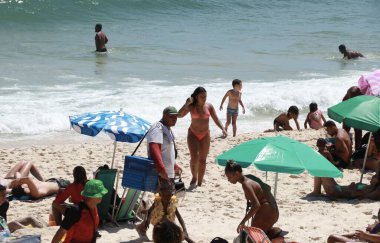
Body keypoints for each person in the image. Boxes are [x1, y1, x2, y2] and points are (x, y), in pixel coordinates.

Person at [178, 87, 227, 188]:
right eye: (201, 96)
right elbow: (179, 115)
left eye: (205, 96)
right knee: (194, 157)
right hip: (193, 134)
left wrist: (223, 128)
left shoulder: (209, 106)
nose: (204, 98)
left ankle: (199, 183)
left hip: (205, 135)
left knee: (203, 160)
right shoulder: (191, 106)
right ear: (196, 96)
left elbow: (215, 118)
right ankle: (194, 177)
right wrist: (186, 104)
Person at [224, 160, 279, 238]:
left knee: (253, 238)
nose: (228, 180)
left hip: (267, 211)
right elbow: (268, 187)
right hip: (274, 210)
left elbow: (256, 205)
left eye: (229, 177)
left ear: (236, 173)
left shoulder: (246, 184)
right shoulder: (250, 177)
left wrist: (243, 222)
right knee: (258, 236)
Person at [342, 86, 363, 150]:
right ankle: (349, 147)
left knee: (357, 132)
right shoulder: (353, 92)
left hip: (353, 110)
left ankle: (357, 148)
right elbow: (345, 103)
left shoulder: (361, 94)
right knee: (346, 130)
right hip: (348, 110)